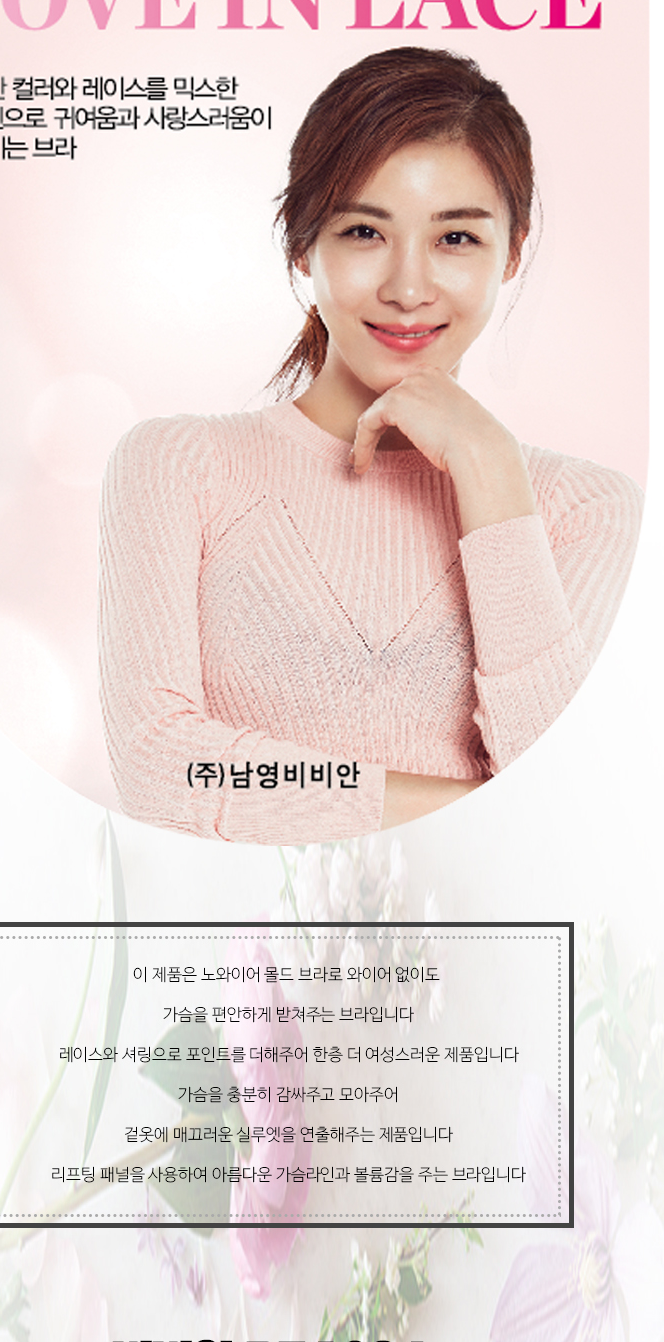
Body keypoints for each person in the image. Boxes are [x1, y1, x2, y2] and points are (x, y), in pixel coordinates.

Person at [99, 48, 637, 845]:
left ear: (513, 253)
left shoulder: (582, 509)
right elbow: (160, 768)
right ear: (301, 245)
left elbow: (564, 806)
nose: (408, 288)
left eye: (457, 238)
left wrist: (491, 476)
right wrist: (494, 813)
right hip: (245, 930)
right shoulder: (180, 465)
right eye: (363, 231)